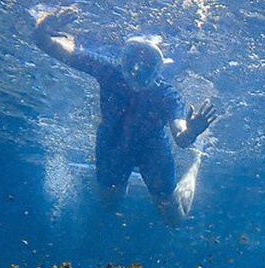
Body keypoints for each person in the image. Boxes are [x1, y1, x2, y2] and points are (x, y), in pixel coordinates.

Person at [32, 6, 217, 226]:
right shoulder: (108, 70)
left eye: (147, 65)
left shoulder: (167, 96)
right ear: (122, 60)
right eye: (131, 62)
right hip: (113, 144)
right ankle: (128, 180)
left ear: (159, 69)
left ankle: (196, 164)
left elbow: (182, 139)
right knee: (109, 205)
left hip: (152, 151)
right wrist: (44, 28)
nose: (136, 71)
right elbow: (47, 44)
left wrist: (192, 133)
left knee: (173, 220)